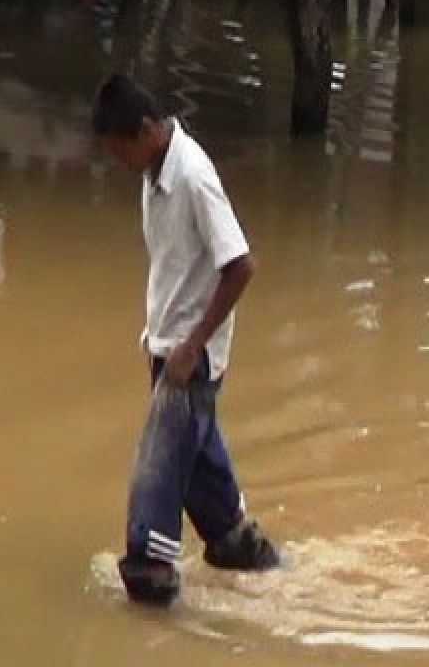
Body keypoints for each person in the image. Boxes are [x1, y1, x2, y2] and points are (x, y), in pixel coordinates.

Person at [91, 73, 279, 606]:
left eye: (120, 149)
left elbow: (240, 265)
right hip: (168, 350)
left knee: (156, 476)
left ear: (148, 130)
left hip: (188, 359)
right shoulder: (154, 176)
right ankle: (246, 552)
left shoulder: (193, 178)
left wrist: (193, 345)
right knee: (204, 477)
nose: (118, 162)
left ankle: (148, 575)